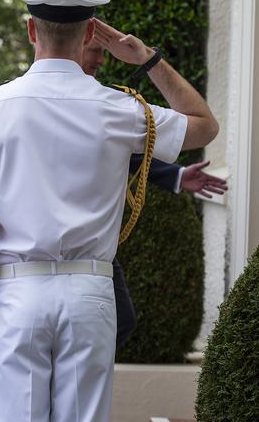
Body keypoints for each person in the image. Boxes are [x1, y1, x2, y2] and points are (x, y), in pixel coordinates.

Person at [0, 0, 218, 422]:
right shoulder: (121, 109)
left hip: (18, 290)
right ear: (93, 33)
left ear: (31, 30)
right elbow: (204, 125)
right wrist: (146, 58)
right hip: (90, 292)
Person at [81, 38, 228, 348]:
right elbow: (204, 124)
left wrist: (174, 175)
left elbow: (125, 149)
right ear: (74, 43)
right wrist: (147, 58)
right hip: (52, 259)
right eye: (95, 50)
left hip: (90, 251)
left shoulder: (108, 105)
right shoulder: (110, 104)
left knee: (121, 321)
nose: (102, 60)